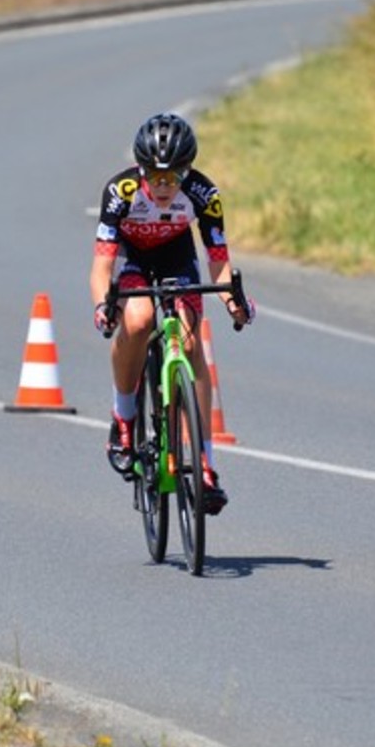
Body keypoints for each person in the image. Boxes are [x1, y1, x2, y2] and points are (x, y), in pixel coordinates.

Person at [89, 112, 253, 515]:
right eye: (155, 176)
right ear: (141, 169)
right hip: (132, 259)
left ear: (188, 170)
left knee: (191, 344)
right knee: (139, 320)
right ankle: (124, 417)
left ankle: (206, 466)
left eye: (173, 176)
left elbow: (218, 259)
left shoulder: (203, 193)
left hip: (177, 259)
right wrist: (102, 306)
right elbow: (102, 266)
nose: (164, 186)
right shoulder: (121, 191)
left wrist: (233, 301)